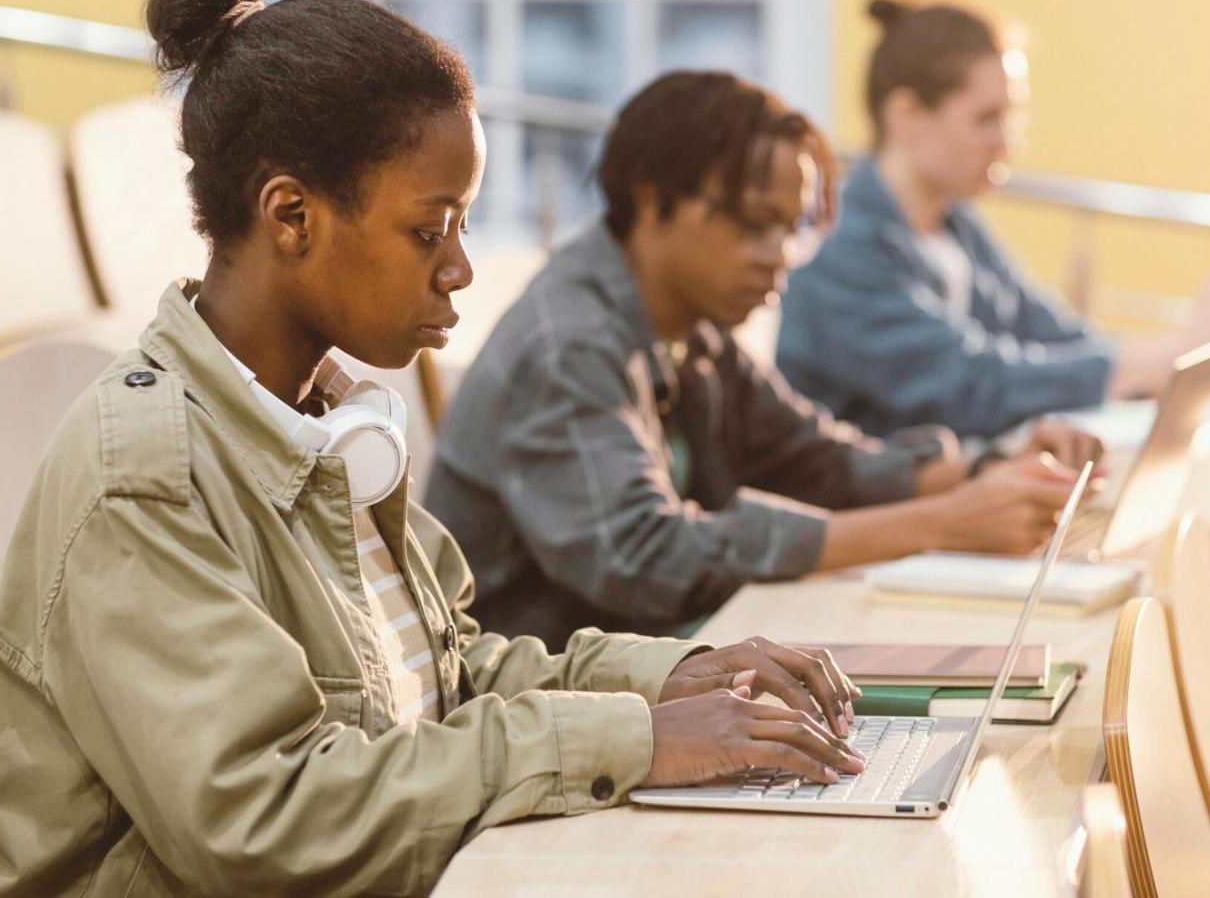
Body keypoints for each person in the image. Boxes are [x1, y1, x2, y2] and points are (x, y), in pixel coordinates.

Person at [0, 0, 872, 897]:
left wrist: (682, 679)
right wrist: (637, 739)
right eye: (432, 230)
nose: (461, 267)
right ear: (292, 216)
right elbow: (264, 818)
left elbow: (450, 677)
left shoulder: (325, 419)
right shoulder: (148, 474)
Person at [424, 70, 1100, 653]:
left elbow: (816, 458)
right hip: (542, 708)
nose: (778, 255)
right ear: (654, 201)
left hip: (651, 668)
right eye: (753, 225)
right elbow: (647, 558)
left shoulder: (692, 324)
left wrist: (992, 470)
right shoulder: (567, 346)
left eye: (791, 228)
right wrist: (944, 523)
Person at [776, 0, 1210, 440]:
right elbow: (970, 383)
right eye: (986, 118)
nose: (1008, 142)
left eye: (1014, 117)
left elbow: (1056, 337)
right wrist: (1173, 354)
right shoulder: (836, 249)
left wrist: (1195, 351)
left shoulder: (957, 226)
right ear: (906, 115)